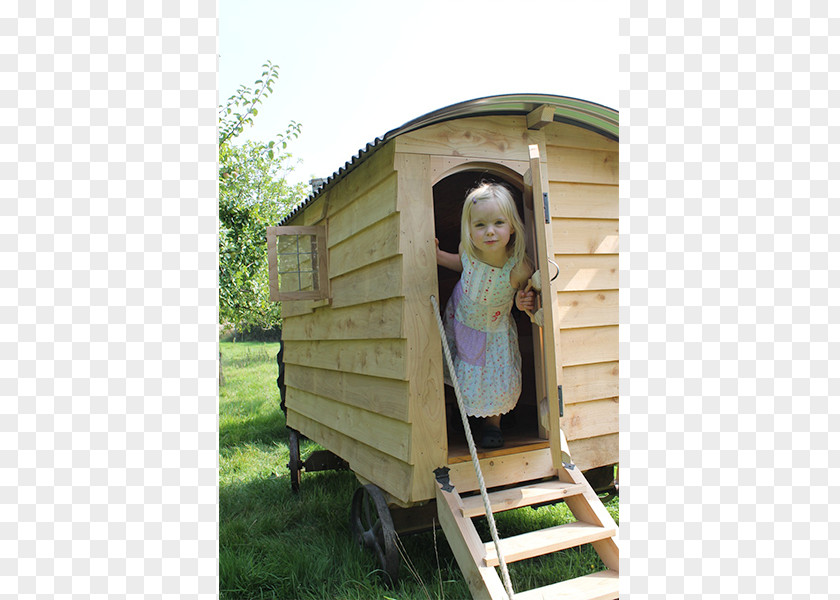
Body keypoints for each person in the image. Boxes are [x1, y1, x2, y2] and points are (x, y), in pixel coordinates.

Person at [436, 182, 536, 448]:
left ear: (512, 226)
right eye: (480, 225)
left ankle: (493, 424)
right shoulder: (466, 249)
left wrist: (524, 301)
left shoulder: (518, 267)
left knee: (494, 377)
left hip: (493, 329)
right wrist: (437, 256)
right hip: (460, 319)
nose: (489, 231)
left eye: (498, 223)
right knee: (462, 370)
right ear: (469, 229)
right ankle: (465, 414)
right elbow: (462, 266)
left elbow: (525, 295)